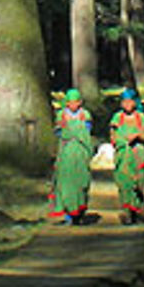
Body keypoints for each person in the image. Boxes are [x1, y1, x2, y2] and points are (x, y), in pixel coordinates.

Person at [109, 87, 144, 224]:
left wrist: (138, 136)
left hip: (138, 155)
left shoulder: (141, 118)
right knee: (124, 183)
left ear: (135, 102)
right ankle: (127, 212)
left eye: (130, 102)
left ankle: (140, 210)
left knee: (138, 183)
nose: (127, 105)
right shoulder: (117, 118)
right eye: (124, 102)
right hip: (123, 156)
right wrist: (120, 143)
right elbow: (113, 135)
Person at [49, 88, 94, 225]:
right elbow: (59, 132)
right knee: (66, 182)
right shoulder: (61, 115)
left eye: (76, 102)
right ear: (66, 103)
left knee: (81, 181)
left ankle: (79, 211)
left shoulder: (85, 115)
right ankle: (69, 213)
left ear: (80, 102)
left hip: (81, 152)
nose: (73, 105)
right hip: (66, 153)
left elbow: (86, 132)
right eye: (70, 102)